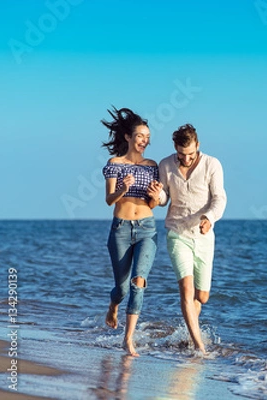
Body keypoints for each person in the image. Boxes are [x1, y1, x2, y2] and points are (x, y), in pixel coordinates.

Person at [158, 123, 227, 354]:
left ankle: (186, 334)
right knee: (186, 289)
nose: (185, 159)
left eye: (189, 154)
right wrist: (157, 194)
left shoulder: (212, 164)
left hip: (204, 236)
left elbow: (219, 199)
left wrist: (209, 217)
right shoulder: (166, 165)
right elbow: (163, 197)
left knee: (202, 297)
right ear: (175, 148)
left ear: (198, 145)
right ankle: (199, 347)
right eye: (181, 154)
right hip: (177, 234)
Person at [101, 107, 163, 357]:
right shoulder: (114, 164)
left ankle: (128, 339)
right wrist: (123, 189)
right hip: (121, 230)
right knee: (122, 289)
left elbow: (152, 204)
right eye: (140, 135)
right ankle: (113, 305)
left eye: (147, 136)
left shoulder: (152, 166)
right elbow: (109, 200)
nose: (144, 140)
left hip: (148, 228)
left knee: (139, 282)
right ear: (128, 137)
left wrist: (156, 197)